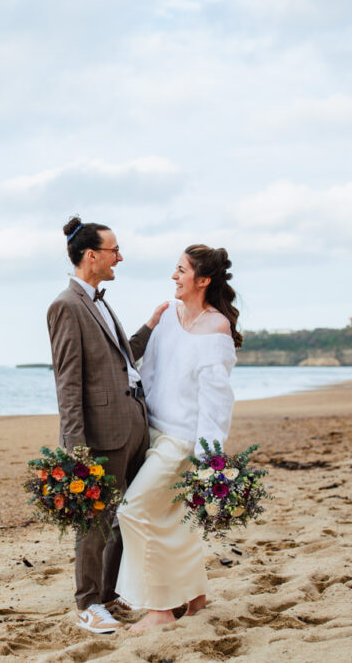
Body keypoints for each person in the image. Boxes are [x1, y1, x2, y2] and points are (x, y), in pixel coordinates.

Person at [46, 217, 168, 635]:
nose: (121, 256)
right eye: (114, 249)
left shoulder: (100, 300)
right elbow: (68, 383)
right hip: (101, 434)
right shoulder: (66, 306)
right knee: (95, 522)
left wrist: (150, 327)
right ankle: (87, 604)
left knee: (124, 519)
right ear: (92, 255)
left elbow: (123, 363)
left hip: (133, 426)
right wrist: (76, 449)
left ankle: (109, 596)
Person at [115, 244, 242, 633]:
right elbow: (146, 372)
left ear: (202, 280)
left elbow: (216, 402)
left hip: (183, 441)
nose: (174, 276)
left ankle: (160, 609)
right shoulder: (168, 316)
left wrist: (210, 459)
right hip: (153, 430)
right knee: (173, 518)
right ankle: (194, 595)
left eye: (182, 270)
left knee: (133, 511)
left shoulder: (216, 327)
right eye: (175, 268)